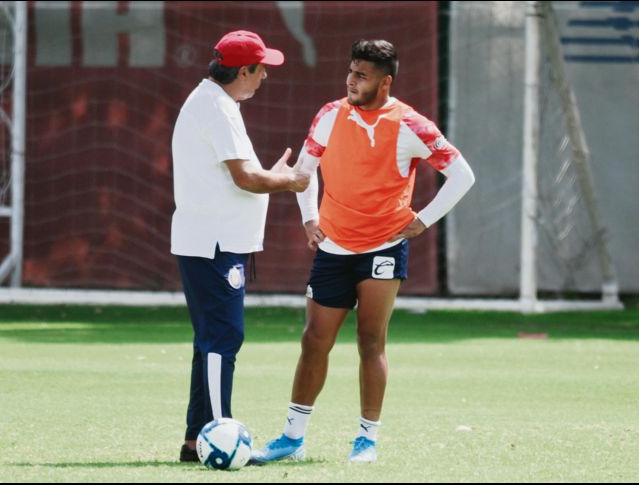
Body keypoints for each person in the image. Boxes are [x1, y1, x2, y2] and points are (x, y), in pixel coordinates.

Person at [251, 39, 476, 464]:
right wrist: (308, 219)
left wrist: (424, 219)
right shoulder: (330, 114)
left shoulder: (413, 124)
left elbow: (462, 175)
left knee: (371, 341)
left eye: (362, 75)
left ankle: (366, 440)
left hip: (384, 247)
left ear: (385, 81)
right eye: (350, 72)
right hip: (333, 246)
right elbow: (305, 170)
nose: (351, 81)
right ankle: (292, 438)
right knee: (315, 340)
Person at [170, 30, 309, 463]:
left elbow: (244, 175)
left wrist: (273, 176)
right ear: (242, 70)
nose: (265, 76)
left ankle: (198, 439)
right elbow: (247, 179)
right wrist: (291, 180)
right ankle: (219, 434)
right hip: (214, 245)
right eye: (261, 68)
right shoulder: (217, 107)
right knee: (223, 337)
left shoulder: (214, 101)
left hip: (213, 242)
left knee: (211, 339)